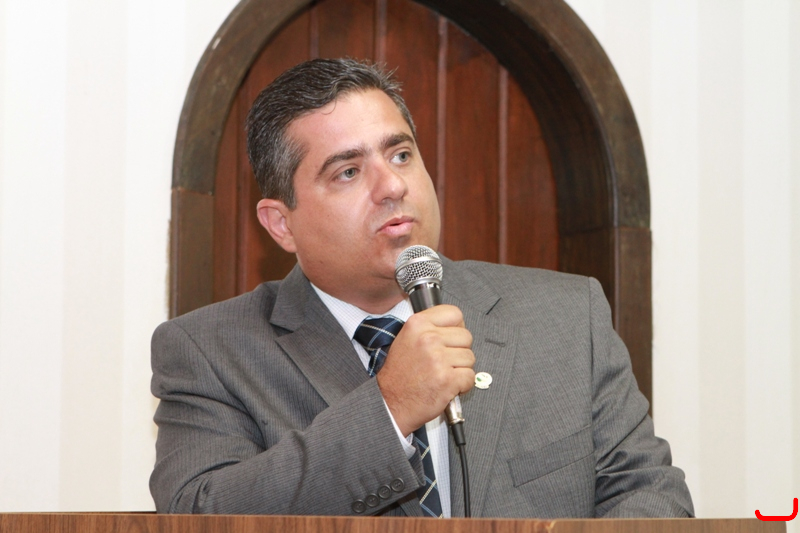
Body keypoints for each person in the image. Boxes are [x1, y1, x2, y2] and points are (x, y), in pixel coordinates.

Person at [150, 58, 694, 518]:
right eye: (347, 172)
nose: (392, 185)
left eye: (401, 154)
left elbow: (651, 499)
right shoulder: (210, 351)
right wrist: (389, 407)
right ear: (281, 224)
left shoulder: (566, 317)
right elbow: (200, 514)